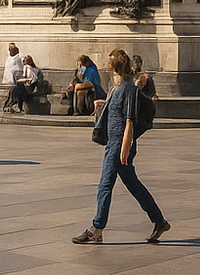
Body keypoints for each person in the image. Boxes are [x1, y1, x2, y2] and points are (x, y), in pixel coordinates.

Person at [71, 49, 170, 245]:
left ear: (114, 66)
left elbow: (129, 121)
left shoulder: (129, 89)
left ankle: (97, 228)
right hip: (114, 143)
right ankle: (159, 221)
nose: (107, 66)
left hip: (118, 145)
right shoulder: (117, 88)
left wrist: (126, 147)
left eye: (109, 63)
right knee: (133, 185)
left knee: (105, 185)